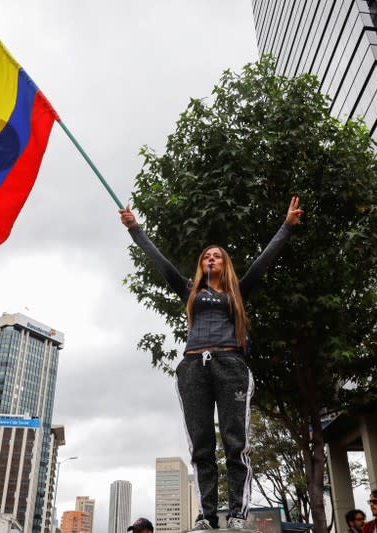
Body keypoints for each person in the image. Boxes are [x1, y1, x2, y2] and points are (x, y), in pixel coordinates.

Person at [120, 197, 303, 531]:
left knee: (236, 443)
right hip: (193, 368)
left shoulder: (236, 293)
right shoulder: (190, 291)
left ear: (225, 264)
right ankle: (206, 515)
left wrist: (287, 226)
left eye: (216, 255)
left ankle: (237, 515)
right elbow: (161, 263)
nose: (210, 258)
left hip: (229, 365)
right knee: (201, 445)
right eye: (206, 256)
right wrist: (135, 229)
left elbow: (263, 262)